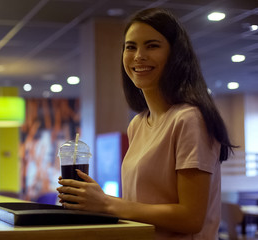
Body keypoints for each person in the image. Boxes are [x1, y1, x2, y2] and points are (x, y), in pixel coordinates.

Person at [56, 8, 236, 240]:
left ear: (175, 55)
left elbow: (191, 218)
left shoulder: (189, 119)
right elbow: (141, 206)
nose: (139, 56)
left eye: (152, 46)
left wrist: (106, 203)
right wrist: (93, 201)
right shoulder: (138, 123)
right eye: (131, 47)